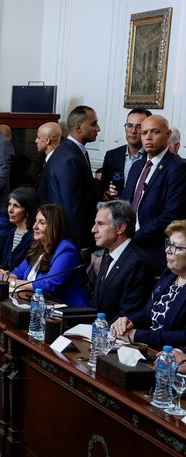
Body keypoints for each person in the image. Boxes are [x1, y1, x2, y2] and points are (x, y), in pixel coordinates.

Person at [119, 115, 186, 273]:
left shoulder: (178, 167)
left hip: (153, 250)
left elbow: (172, 214)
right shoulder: (137, 166)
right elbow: (124, 203)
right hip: (127, 245)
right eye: (144, 132)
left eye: (155, 132)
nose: (148, 137)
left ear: (168, 135)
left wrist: (135, 236)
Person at [111, 220, 186, 347]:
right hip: (146, 349)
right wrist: (130, 321)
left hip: (168, 357)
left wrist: (136, 335)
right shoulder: (169, 274)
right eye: (168, 244)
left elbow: (183, 336)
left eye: (176, 247)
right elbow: (147, 312)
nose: (168, 250)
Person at [0, 204, 89, 306]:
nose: (35, 226)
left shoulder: (67, 250)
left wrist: (13, 282)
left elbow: (49, 284)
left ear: (54, 227)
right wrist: (6, 276)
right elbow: (20, 271)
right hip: (38, 305)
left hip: (70, 312)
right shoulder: (38, 246)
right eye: (36, 221)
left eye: (42, 223)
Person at [37, 106, 99, 249]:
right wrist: (81, 246)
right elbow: (72, 207)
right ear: (79, 127)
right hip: (69, 240)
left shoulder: (72, 151)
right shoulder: (70, 157)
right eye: (93, 124)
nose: (98, 128)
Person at [88, 200, 153, 322]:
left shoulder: (138, 263)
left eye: (100, 224)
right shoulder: (108, 253)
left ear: (120, 227)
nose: (93, 229)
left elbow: (129, 315)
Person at [100, 108, 150, 196]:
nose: (133, 131)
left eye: (139, 127)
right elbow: (103, 187)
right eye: (129, 125)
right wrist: (106, 193)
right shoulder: (111, 155)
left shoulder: (152, 157)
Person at [2, 187, 39, 270]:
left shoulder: (33, 236)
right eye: (9, 204)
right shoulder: (11, 232)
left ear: (27, 211)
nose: (10, 210)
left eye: (16, 206)